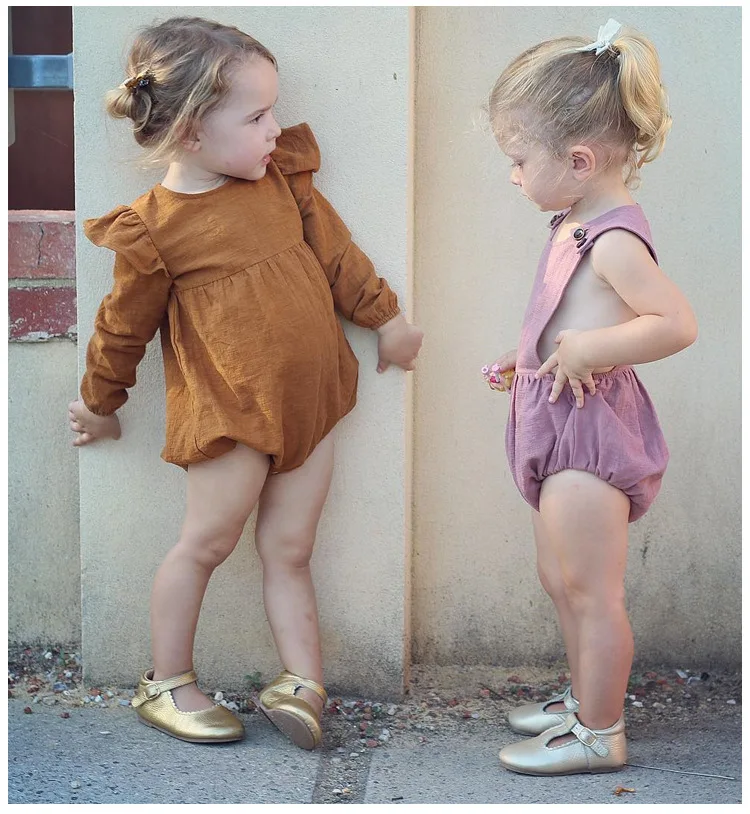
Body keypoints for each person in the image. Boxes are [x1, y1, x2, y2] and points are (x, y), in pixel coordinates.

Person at [68, 16, 423, 751]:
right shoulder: (154, 230)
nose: (274, 129)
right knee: (206, 543)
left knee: (291, 549)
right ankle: (167, 682)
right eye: (257, 117)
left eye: (272, 112)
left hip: (312, 405)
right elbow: (121, 329)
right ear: (192, 132)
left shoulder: (278, 179)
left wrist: (386, 318)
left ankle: (302, 683)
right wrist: (100, 404)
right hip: (230, 416)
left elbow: (338, 255)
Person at [482, 19, 697, 775]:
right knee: (560, 579)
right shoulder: (573, 222)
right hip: (557, 420)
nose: (512, 176)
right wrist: (529, 355)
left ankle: (601, 733)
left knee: (592, 591)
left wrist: (589, 350)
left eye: (518, 160)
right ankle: (582, 700)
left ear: (578, 160)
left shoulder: (614, 240)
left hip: (590, 436)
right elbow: (569, 313)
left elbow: (675, 323)